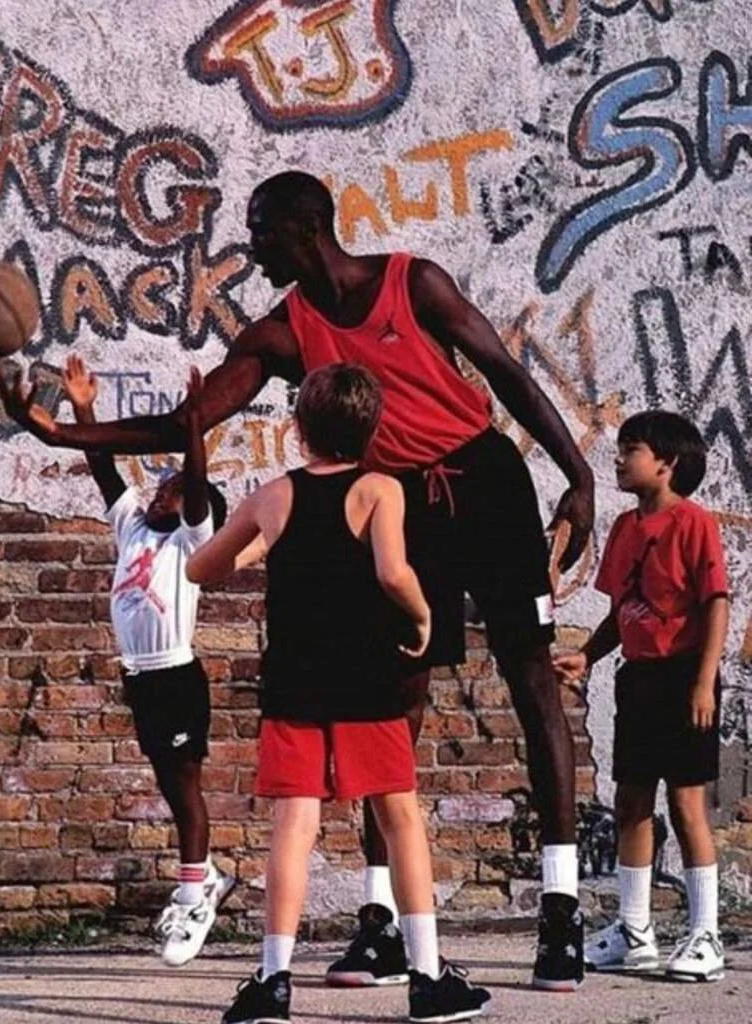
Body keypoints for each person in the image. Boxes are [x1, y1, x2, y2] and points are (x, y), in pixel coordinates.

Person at [0, 170, 595, 990]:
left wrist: (578, 476)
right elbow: (189, 421)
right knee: (396, 700)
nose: (250, 247)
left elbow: (504, 371)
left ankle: (560, 910)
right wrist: (61, 432)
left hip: (484, 482)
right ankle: (384, 923)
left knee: (530, 678)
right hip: (396, 501)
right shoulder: (284, 333)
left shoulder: (410, 281)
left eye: (260, 231)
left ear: (304, 227)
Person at [187, 364, 491, 1023]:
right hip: (366, 676)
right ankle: (427, 976)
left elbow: (200, 566)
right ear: (373, 428)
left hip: (295, 680)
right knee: (399, 818)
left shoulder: (274, 495)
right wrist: (421, 617)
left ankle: (271, 983)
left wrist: (255, 546)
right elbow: (392, 570)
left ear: (297, 429)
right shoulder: (380, 487)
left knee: (292, 825)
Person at [60, 355, 234, 966]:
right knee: (167, 781)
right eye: (163, 486)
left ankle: (194, 900)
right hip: (140, 676)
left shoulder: (191, 536)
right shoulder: (134, 527)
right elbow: (105, 471)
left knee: (184, 789)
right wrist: (83, 407)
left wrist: (194, 428)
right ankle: (205, 874)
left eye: (176, 489)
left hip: (176, 674)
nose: (164, 491)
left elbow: (196, 486)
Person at [554, 411, 728, 982]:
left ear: (666, 463)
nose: (620, 458)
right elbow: (619, 610)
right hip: (639, 678)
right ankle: (635, 930)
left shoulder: (694, 523)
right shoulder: (626, 529)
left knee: (685, 804)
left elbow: (716, 605)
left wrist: (704, 681)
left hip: (683, 677)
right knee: (632, 801)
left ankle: (705, 933)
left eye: (632, 448)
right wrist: (590, 655)